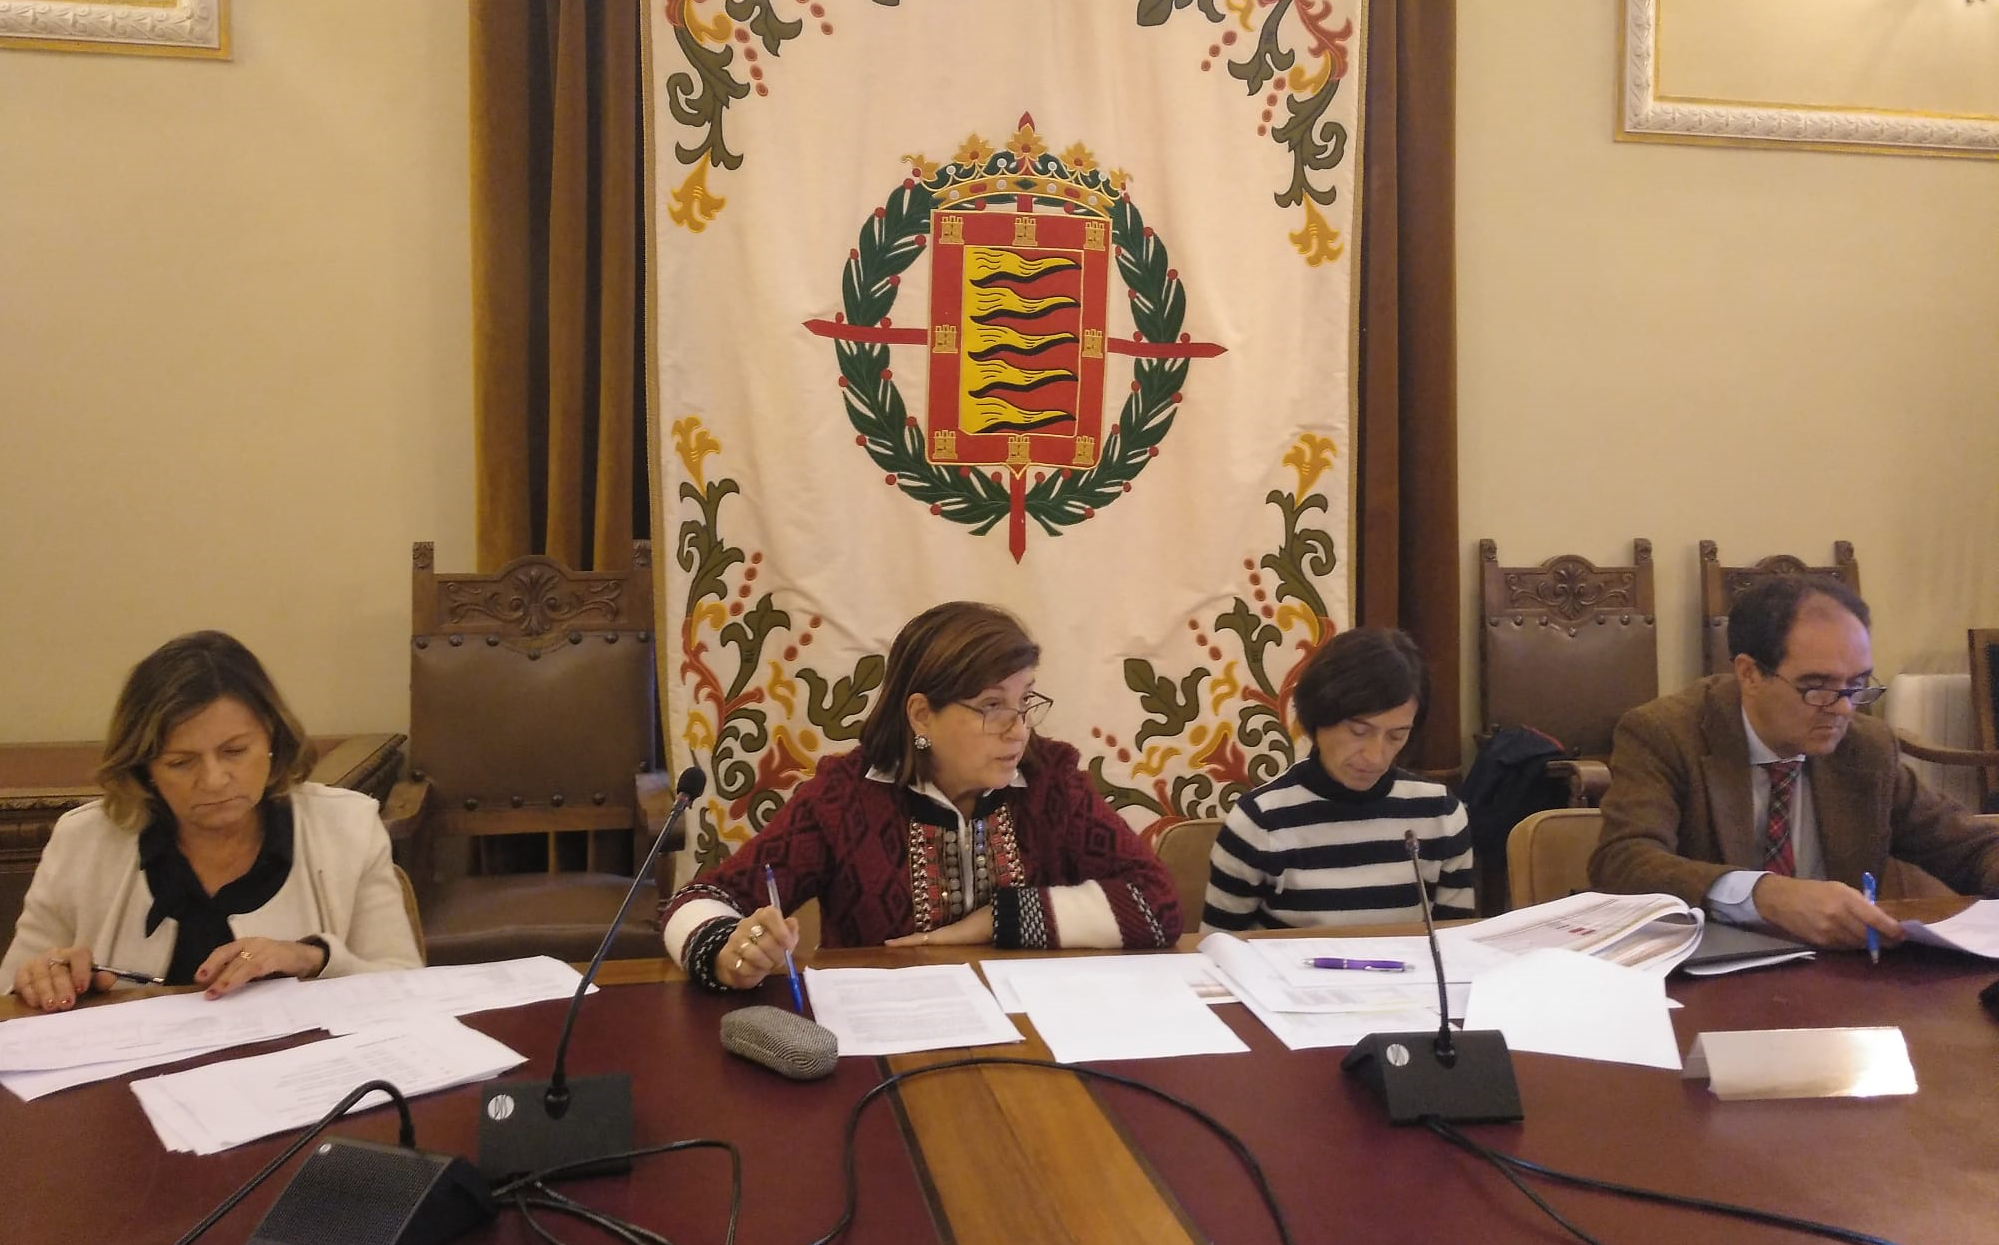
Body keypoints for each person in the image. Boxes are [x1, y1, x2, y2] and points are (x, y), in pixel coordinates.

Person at [661, 601, 1182, 990]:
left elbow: (1157, 904)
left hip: (1033, 1036)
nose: (1019, 729)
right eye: (991, 705)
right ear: (921, 715)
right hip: (886, 1042)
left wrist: (999, 920)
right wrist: (728, 952)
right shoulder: (846, 797)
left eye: (1024, 701)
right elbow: (698, 900)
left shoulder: (1051, 783)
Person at [3, 631, 422, 1010]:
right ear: (145, 767)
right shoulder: (82, 841)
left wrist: (311, 958)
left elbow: (406, 987)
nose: (214, 780)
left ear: (272, 738)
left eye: (235, 751)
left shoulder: (347, 827)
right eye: (181, 762)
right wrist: (43, 980)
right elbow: (11, 994)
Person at [1590, 575, 1999, 948]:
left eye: (1856, 683)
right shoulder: (1666, 733)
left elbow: (1966, 845)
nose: (1843, 708)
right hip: (1706, 972)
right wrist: (1763, 894)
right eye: (1817, 686)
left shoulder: (1866, 746)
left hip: (1838, 976)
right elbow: (1623, 862)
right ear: (1749, 674)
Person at [1202, 627, 1475, 932]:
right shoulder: (1259, 821)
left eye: (1396, 736)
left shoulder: (1440, 814)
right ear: (1319, 716)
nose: (1376, 756)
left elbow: (1457, 944)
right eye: (1358, 732)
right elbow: (1217, 948)